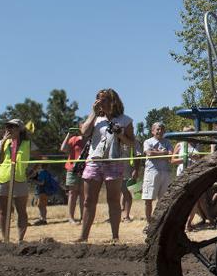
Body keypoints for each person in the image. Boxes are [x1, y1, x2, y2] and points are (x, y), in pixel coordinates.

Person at [79, 88, 135, 242]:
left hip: (114, 162)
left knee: (113, 201)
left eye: (103, 99)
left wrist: (120, 135)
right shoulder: (96, 119)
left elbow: (131, 143)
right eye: (97, 98)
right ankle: (83, 237)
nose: (99, 102)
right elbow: (84, 132)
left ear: (113, 101)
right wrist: (93, 113)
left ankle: (115, 237)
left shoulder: (125, 120)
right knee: (88, 201)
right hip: (94, 161)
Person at [0, 118, 32, 242]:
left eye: (12, 126)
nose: (9, 129)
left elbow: (40, 157)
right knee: (4, 211)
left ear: (20, 129)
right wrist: (4, 141)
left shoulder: (28, 143)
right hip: (3, 178)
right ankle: (6, 239)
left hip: (19, 179)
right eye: (7, 126)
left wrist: (32, 171)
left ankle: (20, 239)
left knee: (21, 211)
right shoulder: (3, 142)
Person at [141, 122, 172, 222]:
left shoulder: (167, 142)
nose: (160, 131)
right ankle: (149, 221)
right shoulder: (147, 142)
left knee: (163, 199)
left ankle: (159, 220)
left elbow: (170, 155)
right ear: (152, 131)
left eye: (162, 129)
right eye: (158, 129)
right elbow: (149, 153)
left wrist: (157, 153)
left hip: (165, 172)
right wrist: (164, 152)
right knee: (148, 198)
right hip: (151, 172)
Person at [60, 130, 87, 223]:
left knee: (83, 193)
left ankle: (83, 217)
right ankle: (71, 217)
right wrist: (69, 134)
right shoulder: (73, 139)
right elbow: (63, 149)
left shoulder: (90, 140)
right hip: (72, 169)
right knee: (72, 193)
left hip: (86, 169)